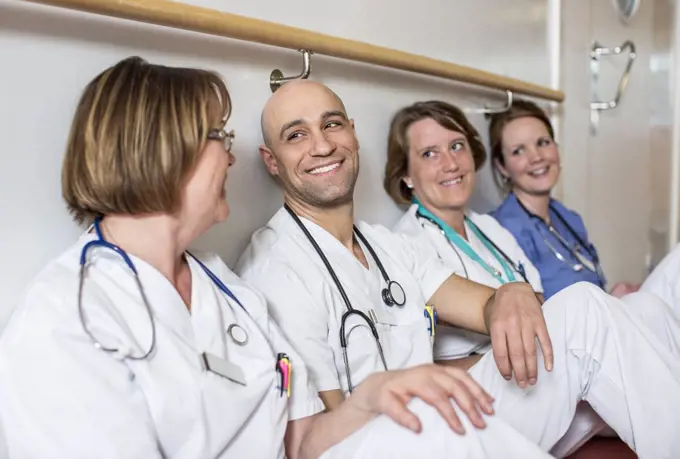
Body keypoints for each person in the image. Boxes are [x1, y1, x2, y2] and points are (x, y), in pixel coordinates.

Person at [0, 56, 558, 459]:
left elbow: (300, 441)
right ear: (160, 152)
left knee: (445, 425)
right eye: (217, 135)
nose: (229, 153)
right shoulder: (64, 321)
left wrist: (371, 399)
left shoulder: (228, 293)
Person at [236, 79, 680, 459]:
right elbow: (309, 445)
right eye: (296, 135)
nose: (322, 145)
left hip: (441, 417)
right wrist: (387, 396)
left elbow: (485, 304)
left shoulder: (384, 245)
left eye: (331, 124)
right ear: (271, 160)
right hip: (386, 439)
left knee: (585, 307)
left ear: (352, 133)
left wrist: (509, 295)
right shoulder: (278, 270)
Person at [381, 99, 624, 457]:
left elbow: (542, 301)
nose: (450, 163)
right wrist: (508, 351)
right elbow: (417, 364)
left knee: (634, 324)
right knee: (588, 306)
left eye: (457, 146)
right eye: (430, 154)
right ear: (405, 175)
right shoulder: (406, 246)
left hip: (533, 369)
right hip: (482, 385)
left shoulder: (489, 227)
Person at [487, 100, 639, 300]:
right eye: (519, 151)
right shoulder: (503, 231)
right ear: (502, 167)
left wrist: (613, 297)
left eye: (543, 143)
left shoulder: (568, 219)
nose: (536, 157)